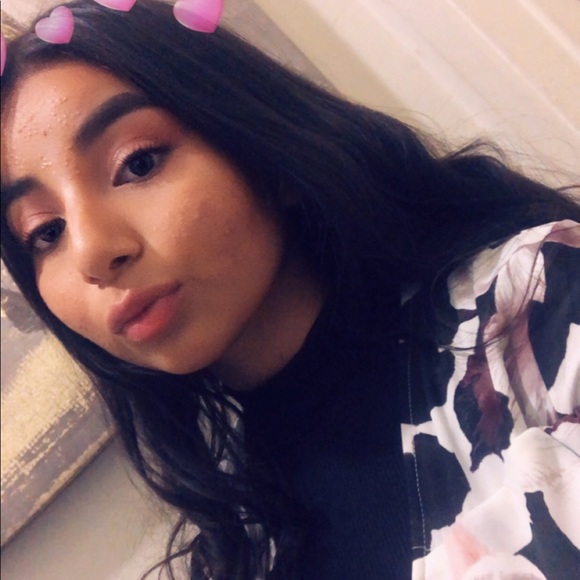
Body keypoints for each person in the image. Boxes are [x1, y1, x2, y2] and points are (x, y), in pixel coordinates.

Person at [1, 1, 579, 578]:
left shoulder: (536, 305)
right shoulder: (241, 551)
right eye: (46, 232)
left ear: (262, 149)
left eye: (139, 163)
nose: (91, 253)